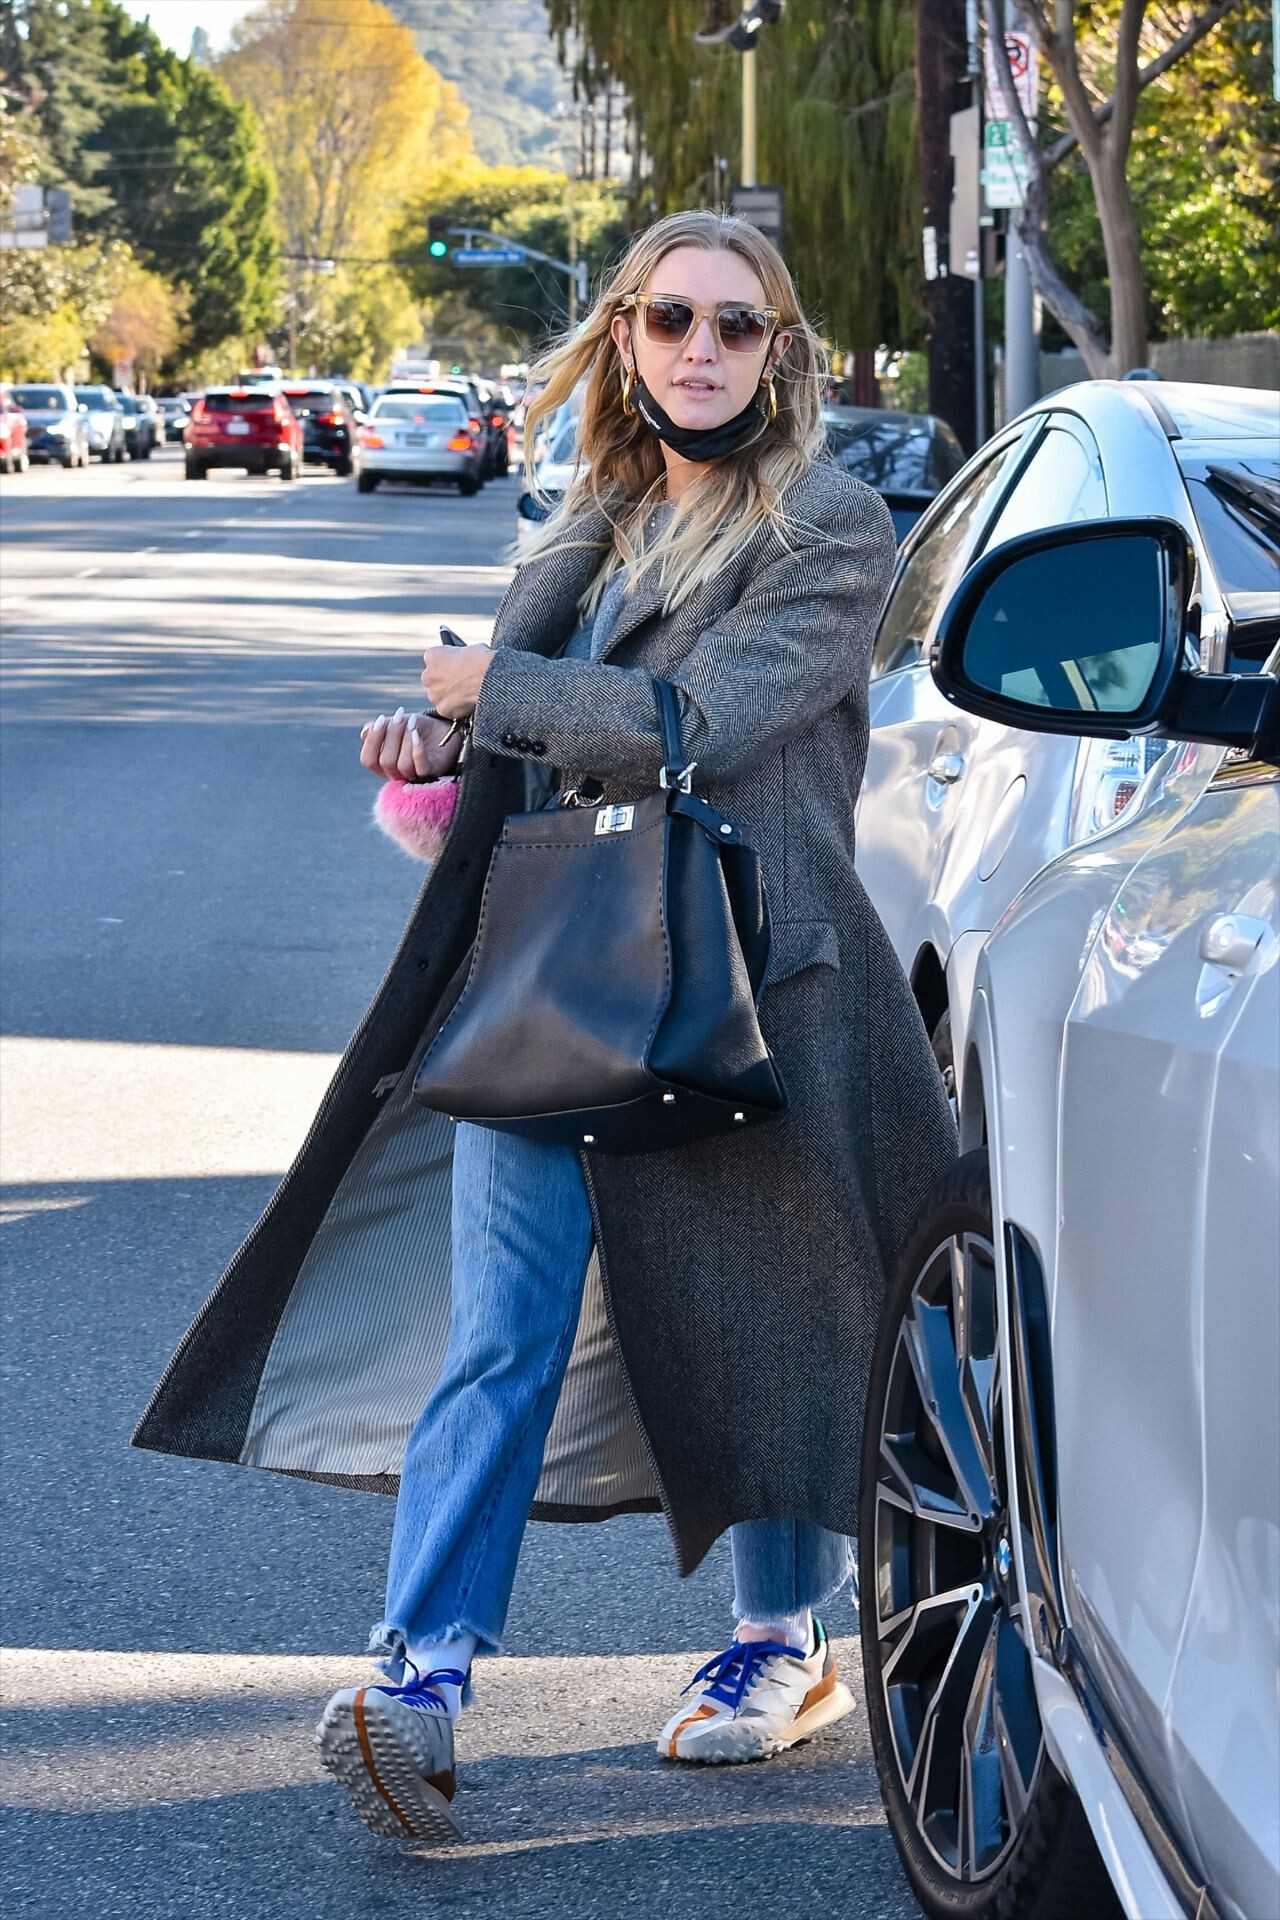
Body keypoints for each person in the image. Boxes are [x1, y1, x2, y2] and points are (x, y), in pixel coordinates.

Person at [131, 209, 957, 1844]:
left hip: (744, 986)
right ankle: (419, 1680)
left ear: (781, 351)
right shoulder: (594, 519)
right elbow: (541, 733)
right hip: (560, 973)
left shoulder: (828, 525)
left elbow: (698, 722)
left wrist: (484, 691)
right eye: (671, 320)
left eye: (736, 324)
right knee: (500, 1331)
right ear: (624, 338)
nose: (702, 350)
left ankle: (781, 1646)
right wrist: (443, 742)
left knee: (766, 1323)